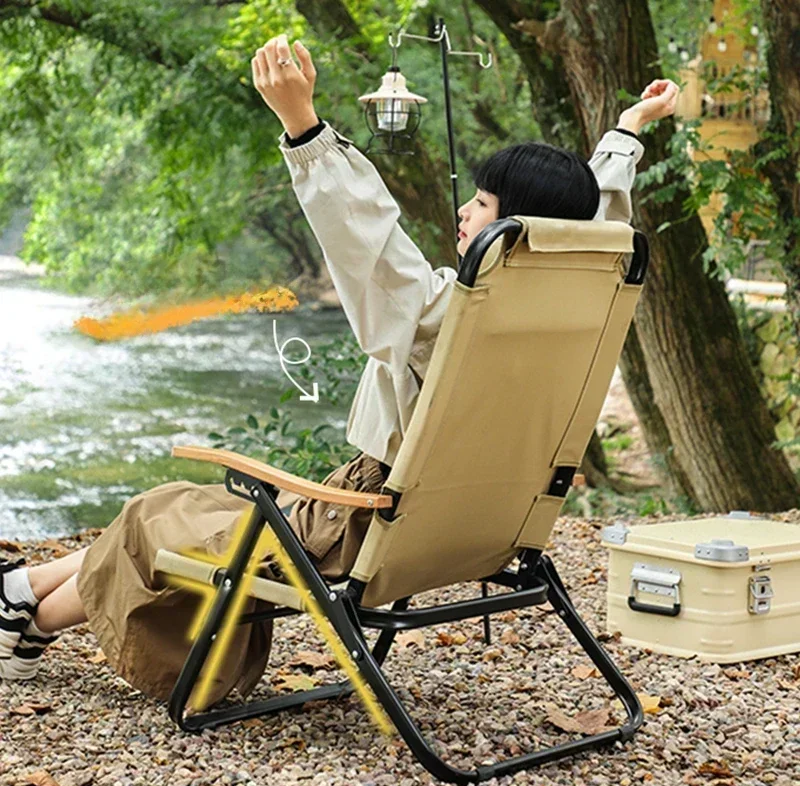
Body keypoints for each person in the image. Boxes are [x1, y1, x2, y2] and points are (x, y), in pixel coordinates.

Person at [0, 34, 679, 702]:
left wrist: (303, 127)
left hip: (364, 524)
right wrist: (626, 132)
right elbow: (592, 221)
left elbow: (370, 243)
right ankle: (19, 599)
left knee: (154, 516)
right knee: (176, 514)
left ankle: (23, 621)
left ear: (517, 223)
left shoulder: (451, 317)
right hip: (480, 529)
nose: (465, 211)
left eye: (482, 204)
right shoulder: (580, 302)